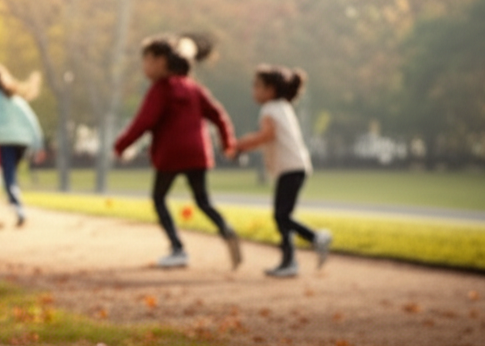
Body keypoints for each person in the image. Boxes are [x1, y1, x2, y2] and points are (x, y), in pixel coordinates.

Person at [113, 34, 241, 270]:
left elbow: (144, 121)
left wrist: (121, 145)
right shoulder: (195, 89)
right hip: (197, 152)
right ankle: (226, 228)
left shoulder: (160, 90)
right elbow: (218, 115)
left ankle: (177, 248)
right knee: (203, 201)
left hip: (171, 153)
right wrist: (227, 142)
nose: (145, 67)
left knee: (159, 199)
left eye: (148, 61)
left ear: (162, 61)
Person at [227, 65, 333, 278]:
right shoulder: (283, 106)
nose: (253, 90)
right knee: (283, 216)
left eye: (257, 86)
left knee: (281, 216)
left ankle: (314, 238)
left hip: (290, 169)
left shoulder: (270, 109)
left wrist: (238, 145)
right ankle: (289, 261)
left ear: (271, 90)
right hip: (295, 167)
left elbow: (266, 135)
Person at [0, 64, 44, 227]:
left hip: (5, 140)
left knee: (8, 176)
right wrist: (38, 143)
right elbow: (31, 119)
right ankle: (13, 199)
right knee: (11, 174)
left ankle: (18, 207)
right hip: (23, 141)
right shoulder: (14, 98)